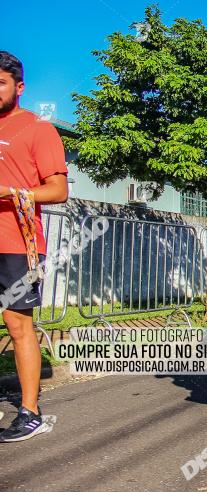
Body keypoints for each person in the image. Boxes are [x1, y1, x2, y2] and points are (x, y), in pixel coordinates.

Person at [0, 52, 69, 442]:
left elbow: (57, 190)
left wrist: (13, 192)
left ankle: (29, 411)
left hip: (17, 242)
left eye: (0, 82)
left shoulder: (37, 129)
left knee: (17, 324)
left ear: (19, 87)